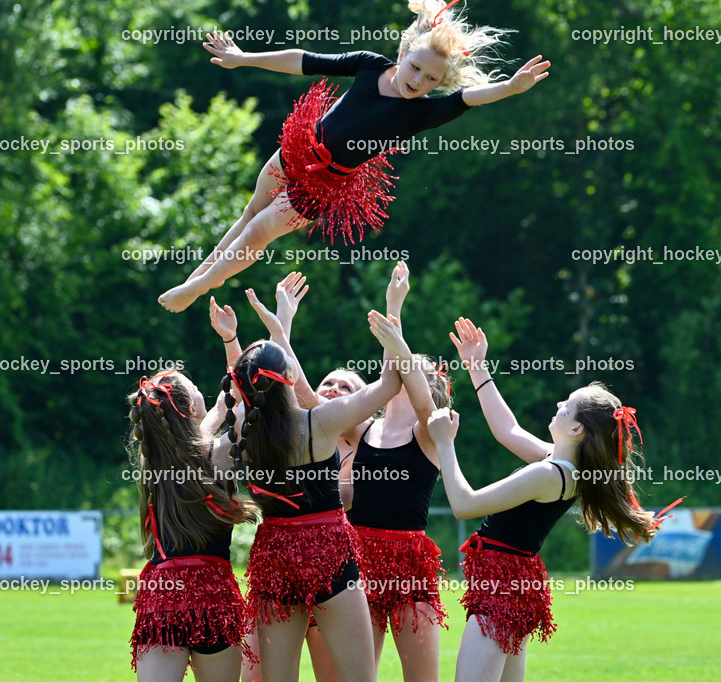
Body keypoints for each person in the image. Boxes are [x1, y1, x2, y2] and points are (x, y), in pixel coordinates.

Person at [158, 0, 551, 312]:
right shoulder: (369, 64)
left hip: (325, 182)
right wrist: (245, 57)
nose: (418, 81)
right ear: (403, 52)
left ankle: (196, 288)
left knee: (258, 231)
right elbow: (304, 60)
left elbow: (469, 98)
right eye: (415, 68)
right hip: (298, 150)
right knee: (248, 215)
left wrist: (510, 88)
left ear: (439, 82)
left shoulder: (423, 111)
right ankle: (199, 276)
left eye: (430, 79)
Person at [421, 317, 672, 682]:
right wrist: (477, 367)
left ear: (576, 429)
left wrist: (443, 442)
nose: (558, 403)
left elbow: (464, 504)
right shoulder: (565, 469)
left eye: (566, 406)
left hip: (502, 587)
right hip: (514, 583)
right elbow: (507, 430)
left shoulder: (547, 474)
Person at [225, 312, 409, 682]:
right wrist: (393, 325)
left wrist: (234, 341)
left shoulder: (245, 429)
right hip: (329, 552)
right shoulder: (322, 420)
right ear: (292, 376)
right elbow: (389, 385)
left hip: (275, 554)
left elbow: (246, 384)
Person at [347, 262, 449, 681]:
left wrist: (396, 313)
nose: (405, 373)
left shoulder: (433, 430)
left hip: (410, 561)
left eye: (415, 371)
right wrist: (282, 327)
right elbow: (312, 403)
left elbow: (425, 404)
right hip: (357, 562)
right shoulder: (363, 426)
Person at [126, 370, 259, 682]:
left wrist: (213, 416)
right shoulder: (219, 454)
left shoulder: (154, 462)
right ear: (191, 409)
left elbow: (197, 433)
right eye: (196, 388)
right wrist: (233, 343)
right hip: (213, 593)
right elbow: (247, 411)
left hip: (164, 594)